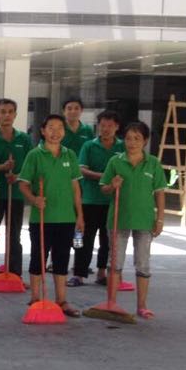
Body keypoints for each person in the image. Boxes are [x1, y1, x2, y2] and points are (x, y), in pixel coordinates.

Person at [18, 114, 85, 317]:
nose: (55, 132)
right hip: (42, 218)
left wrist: (80, 215)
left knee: (61, 259)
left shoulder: (70, 155)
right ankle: (35, 298)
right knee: (38, 258)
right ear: (43, 131)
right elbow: (23, 184)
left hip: (66, 217)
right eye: (51, 128)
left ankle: (61, 300)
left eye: (59, 128)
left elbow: (76, 188)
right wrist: (34, 199)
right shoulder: (34, 155)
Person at [100, 121, 167, 320]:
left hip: (145, 220)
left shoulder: (153, 163)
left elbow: (160, 192)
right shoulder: (115, 162)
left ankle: (142, 306)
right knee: (115, 262)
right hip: (118, 219)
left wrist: (160, 219)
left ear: (145, 141)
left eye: (137, 138)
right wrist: (112, 185)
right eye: (128, 138)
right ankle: (111, 303)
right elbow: (103, 188)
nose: (132, 142)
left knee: (143, 263)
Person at [0, 98, 33, 282]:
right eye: (3, 112)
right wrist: (1, 168)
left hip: (16, 195)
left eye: (10, 112)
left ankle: (15, 273)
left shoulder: (24, 140)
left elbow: (31, 167)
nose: (7, 115)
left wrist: (17, 176)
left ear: (15, 115)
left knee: (14, 236)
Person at [71, 110, 124, 287]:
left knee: (107, 240)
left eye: (110, 126)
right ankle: (79, 274)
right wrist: (104, 177)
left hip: (112, 201)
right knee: (84, 239)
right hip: (90, 200)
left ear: (117, 127)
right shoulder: (89, 146)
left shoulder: (122, 147)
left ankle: (102, 273)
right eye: (102, 125)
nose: (106, 129)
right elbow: (81, 169)